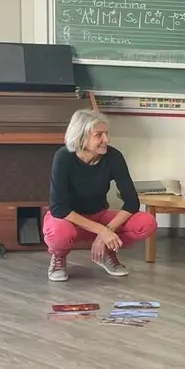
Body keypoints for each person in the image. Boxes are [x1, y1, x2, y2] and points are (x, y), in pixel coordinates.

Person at [43, 109, 157, 282]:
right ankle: (58, 256)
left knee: (146, 223)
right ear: (81, 137)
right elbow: (59, 208)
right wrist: (102, 231)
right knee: (59, 233)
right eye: (99, 135)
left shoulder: (113, 156)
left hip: (99, 215)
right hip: (69, 219)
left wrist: (106, 232)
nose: (107, 140)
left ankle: (107, 251)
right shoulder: (63, 157)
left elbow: (132, 202)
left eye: (106, 133)